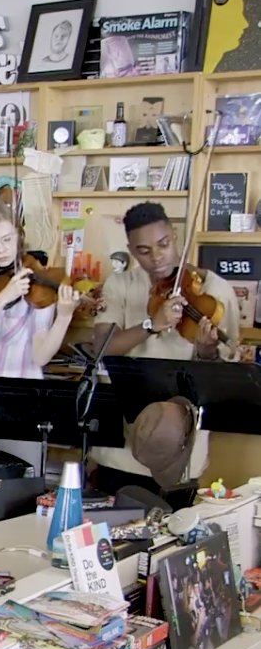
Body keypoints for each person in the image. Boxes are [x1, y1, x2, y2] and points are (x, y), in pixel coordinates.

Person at [88, 202, 239, 499]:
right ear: (131, 250)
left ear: (175, 236)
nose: (156, 258)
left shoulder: (215, 292)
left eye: (163, 244)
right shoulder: (120, 284)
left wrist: (207, 352)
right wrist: (151, 324)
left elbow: (223, 373)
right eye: (144, 251)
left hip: (181, 448)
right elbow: (102, 348)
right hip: (123, 446)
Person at [0, 201, 78, 478]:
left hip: (22, 396)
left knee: (22, 480)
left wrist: (64, 316)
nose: (2, 249)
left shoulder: (39, 287)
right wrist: (0, 300)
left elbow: (40, 357)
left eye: (7, 239)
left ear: (18, 238)